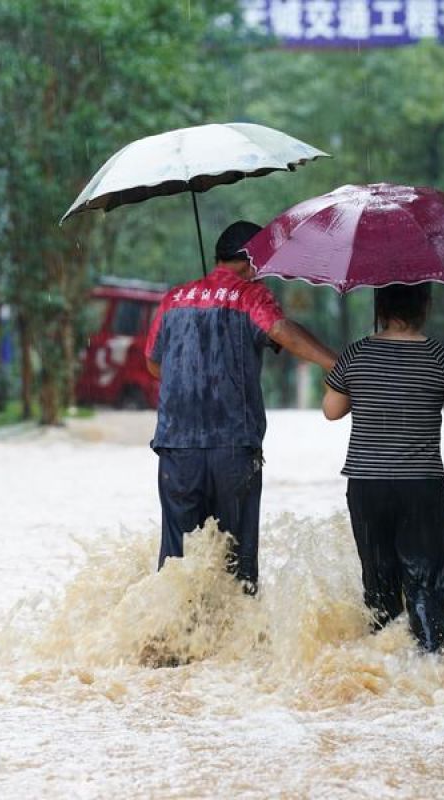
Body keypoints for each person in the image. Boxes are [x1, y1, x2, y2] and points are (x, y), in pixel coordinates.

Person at [145, 220, 336, 593]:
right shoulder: (251, 296)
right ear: (252, 260)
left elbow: (154, 363)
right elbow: (282, 332)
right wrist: (337, 363)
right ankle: (237, 646)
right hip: (232, 448)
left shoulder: (173, 299)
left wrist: (194, 376)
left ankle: (171, 643)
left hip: (176, 448)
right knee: (236, 561)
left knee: (177, 560)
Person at [322, 283, 444, 653]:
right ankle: (430, 660)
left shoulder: (356, 354)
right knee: (428, 583)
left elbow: (332, 410)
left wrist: (362, 383)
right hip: (420, 486)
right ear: (425, 305)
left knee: (378, 579)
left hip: (366, 485)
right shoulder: (441, 356)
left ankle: (386, 661)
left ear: (380, 307)